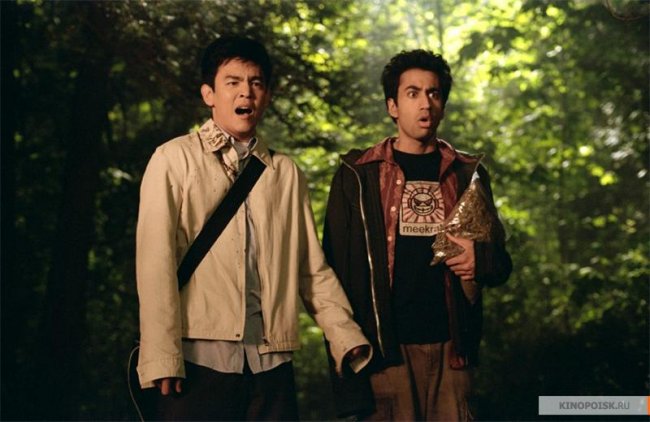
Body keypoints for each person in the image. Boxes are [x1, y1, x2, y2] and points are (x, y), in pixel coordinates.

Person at [135, 35, 371, 421]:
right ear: (209, 94)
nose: (246, 91)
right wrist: (161, 357)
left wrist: (344, 336)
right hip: (198, 360)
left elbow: (310, 268)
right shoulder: (173, 159)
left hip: (271, 365)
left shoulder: (285, 173)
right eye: (233, 82)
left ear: (267, 95)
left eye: (256, 82)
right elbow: (154, 264)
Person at [323, 49, 512, 421]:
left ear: (443, 105)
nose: (425, 103)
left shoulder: (468, 173)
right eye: (412, 93)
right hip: (386, 354)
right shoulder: (358, 174)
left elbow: (500, 265)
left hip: (453, 351)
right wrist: (348, 349)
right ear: (392, 106)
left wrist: (480, 259)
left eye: (434, 93)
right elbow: (331, 269)